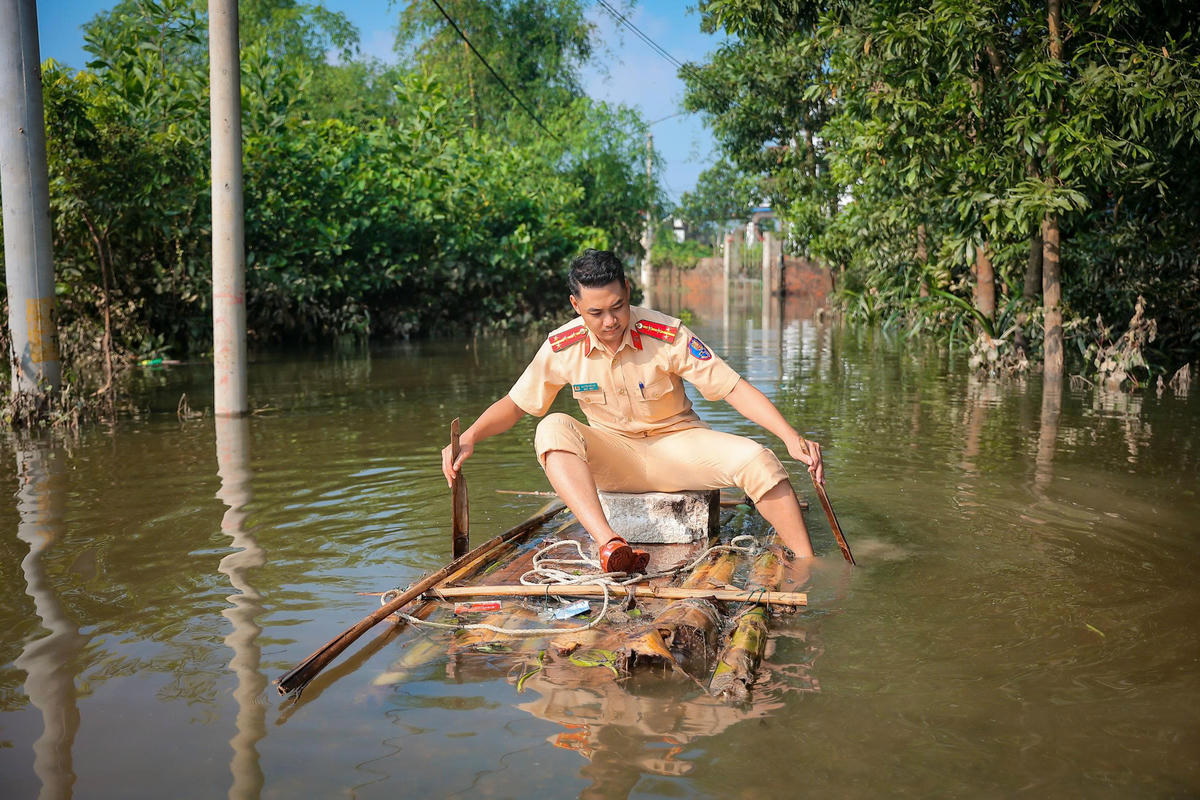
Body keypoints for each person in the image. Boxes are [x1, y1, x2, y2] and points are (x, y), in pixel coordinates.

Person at [441, 248, 823, 573]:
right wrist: (471, 436)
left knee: (759, 459)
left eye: (617, 307)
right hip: (614, 458)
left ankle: (809, 565)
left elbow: (733, 388)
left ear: (627, 290)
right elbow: (515, 405)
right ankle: (611, 545)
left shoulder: (667, 334)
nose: (610, 322)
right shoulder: (562, 346)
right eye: (595, 313)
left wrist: (790, 436)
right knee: (551, 427)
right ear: (576, 306)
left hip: (679, 448)